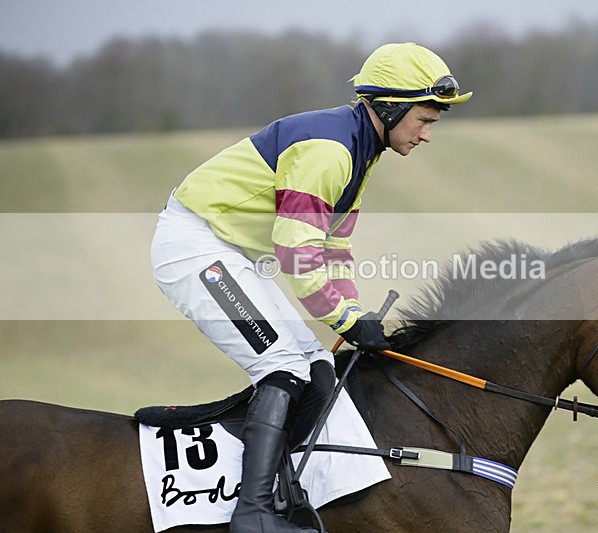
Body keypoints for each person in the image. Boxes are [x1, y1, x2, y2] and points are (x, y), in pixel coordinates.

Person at [150, 42, 471, 533]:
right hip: (198, 249)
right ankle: (254, 514)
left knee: (318, 366)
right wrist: (343, 319)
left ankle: (295, 496)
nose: (427, 135)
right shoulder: (331, 149)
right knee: (281, 368)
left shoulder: (361, 150)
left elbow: (333, 248)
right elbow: (296, 253)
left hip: (232, 253)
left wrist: (357, 314)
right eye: (424, 121)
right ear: (389, 107)